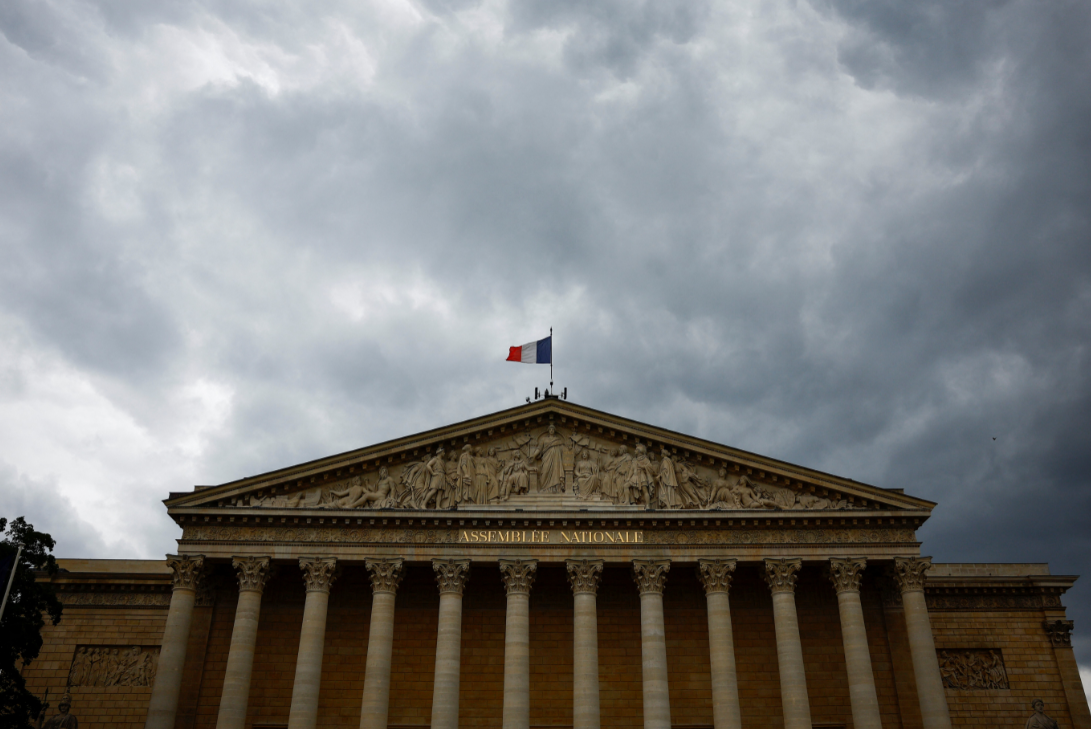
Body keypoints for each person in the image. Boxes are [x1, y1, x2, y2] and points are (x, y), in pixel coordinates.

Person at [532, 425, 566, 493]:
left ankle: (556, 489)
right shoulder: (544, 439)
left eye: (553, 429)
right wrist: (533, 455)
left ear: (554, 431)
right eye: (550, 429)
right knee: (545, 471)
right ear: (548, 430)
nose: (551, 430)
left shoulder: (558, 440)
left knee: (556, 472)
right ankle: (544, 488)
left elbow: (564, 449)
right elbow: (539, 448)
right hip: (546, 457)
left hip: (556, 458)